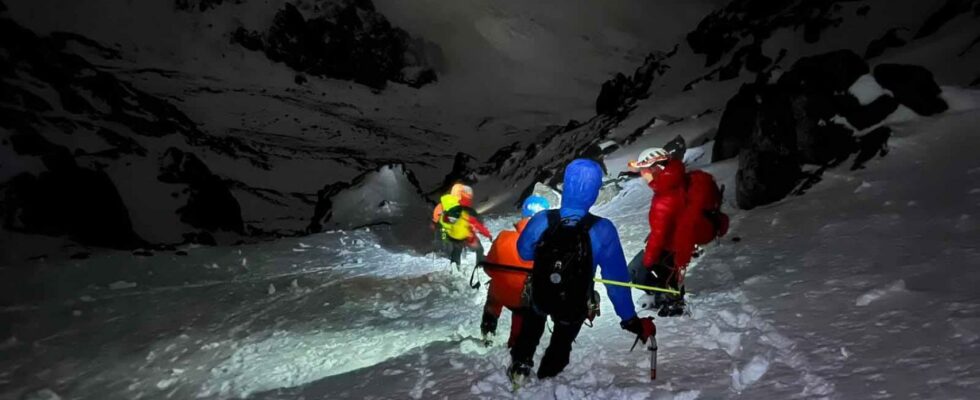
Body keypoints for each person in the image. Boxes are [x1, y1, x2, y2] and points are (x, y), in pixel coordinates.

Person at [508, 159, 655, 384]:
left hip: (541, 293)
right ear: (594, 192)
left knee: (532, 323)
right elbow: (616, 282)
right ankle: (548, 377)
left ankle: (521, 363)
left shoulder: (542, 220)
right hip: (574, 302)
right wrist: (630, 320)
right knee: (562, 341)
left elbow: (524, 253)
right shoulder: (602, 229)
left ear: (566, 186)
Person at [627, 147, 729, 316]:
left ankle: (671, 300)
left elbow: (659, 236)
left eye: (644, 170)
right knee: (666, 270)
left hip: (675, 243)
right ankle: (669, 293)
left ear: (657, 169)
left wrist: (648, 259)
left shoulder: (665, 197)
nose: (642, 175)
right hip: (682, 238)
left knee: (637, 271)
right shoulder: (679, 178)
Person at [479, 195, 550, 347]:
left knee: (494, 291)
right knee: (526, 305)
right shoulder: (548, 245)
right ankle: (514, 343)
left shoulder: (503, 237)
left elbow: (489, 268)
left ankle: (488, 328)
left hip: (501, 293)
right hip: (525, 300)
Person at [442, 184, 491, 270]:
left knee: (457, 250)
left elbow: (446, 222)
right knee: (479, 249)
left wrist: (445, 235)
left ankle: (455, 267)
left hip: (455, 235)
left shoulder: (453, 208)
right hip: (467, 235)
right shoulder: (468, 210)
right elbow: (477, 224)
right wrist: (487, 234)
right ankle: (479, 266)